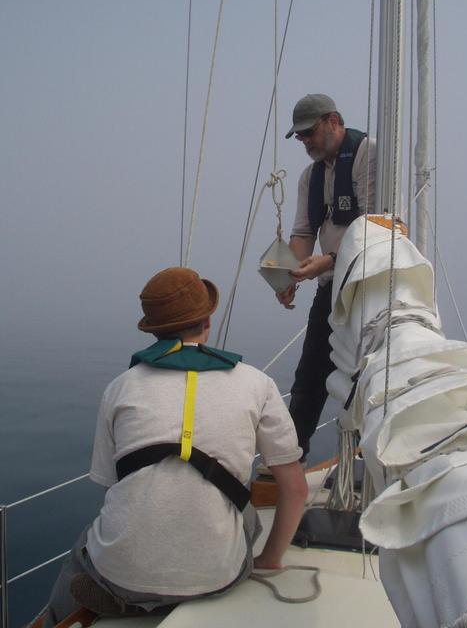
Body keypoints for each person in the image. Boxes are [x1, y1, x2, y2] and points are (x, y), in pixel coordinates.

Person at [42, 267, 307, 627]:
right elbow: (294, 486)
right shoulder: (257, 383)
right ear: (207, 320)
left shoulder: (120, 387)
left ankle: (66, 615)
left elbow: (110, 484)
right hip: (218, 577)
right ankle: (185, 585)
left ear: (152, 328)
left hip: (121, 573)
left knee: (85, 544)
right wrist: (271, 559)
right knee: (245, 517)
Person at [278, 93, 376, 460]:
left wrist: (328, 260)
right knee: (309, 377)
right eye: (299, 137)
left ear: (333, 120)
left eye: (308, 133)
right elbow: (303, 232)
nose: (304, 142)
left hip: (371, 285)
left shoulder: (370, 154)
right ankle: (289, 459)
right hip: (330, 286)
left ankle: (372, 457)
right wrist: (290, 277)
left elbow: (375, 226)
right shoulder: (311, 176)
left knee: (371, 377)